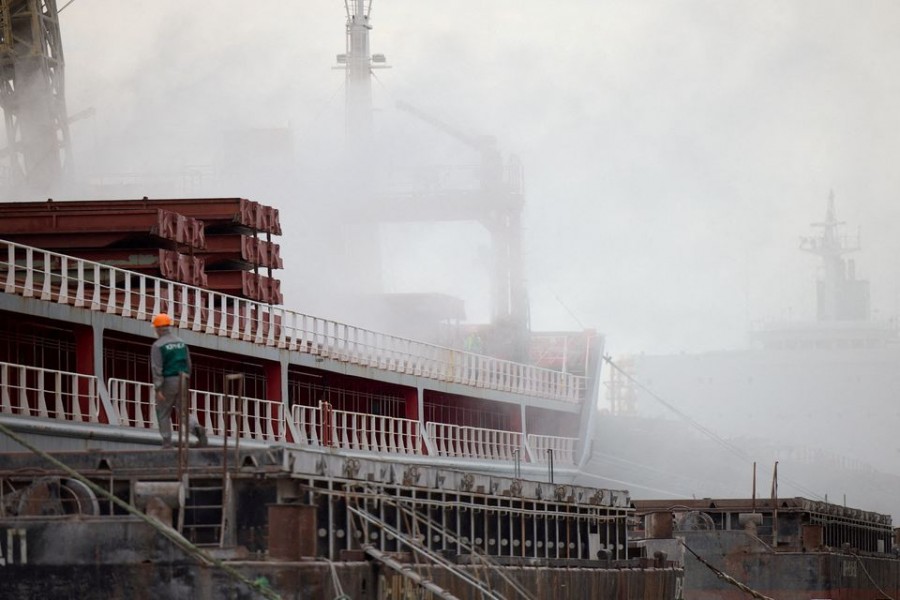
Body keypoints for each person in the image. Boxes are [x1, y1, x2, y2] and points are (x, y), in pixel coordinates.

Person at [151, 313, 208, 449]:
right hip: (184, 379)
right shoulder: (181, 342)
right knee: (183, 412)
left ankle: (167, 443)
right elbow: (188, 363)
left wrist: (158, 388)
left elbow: (157, 368)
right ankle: (196, 428)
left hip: (168, 381)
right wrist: (186, 379)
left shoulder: (158, 345)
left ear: (158, 329)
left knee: (163, 411)